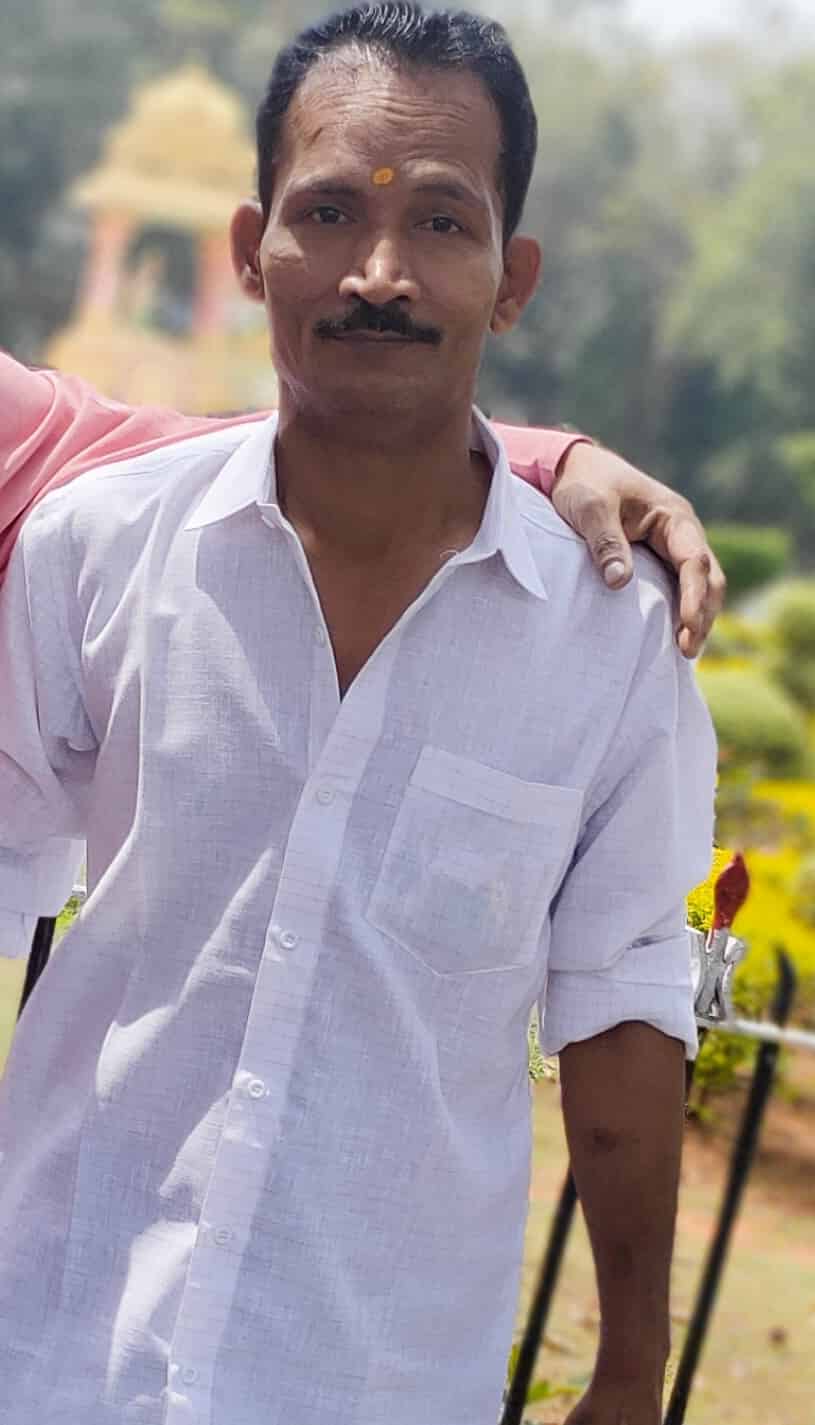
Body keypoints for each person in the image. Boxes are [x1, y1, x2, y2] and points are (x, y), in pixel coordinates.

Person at [0, 6, 717, 1424]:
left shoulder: (609, 642)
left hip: (377, 1379)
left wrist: (633, 1368)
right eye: (328, 213)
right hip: (59, 1348)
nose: (378, 273)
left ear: (512, 282)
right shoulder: (98, 550)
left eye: (441, 222)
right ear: (249, 249)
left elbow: (624, 998)